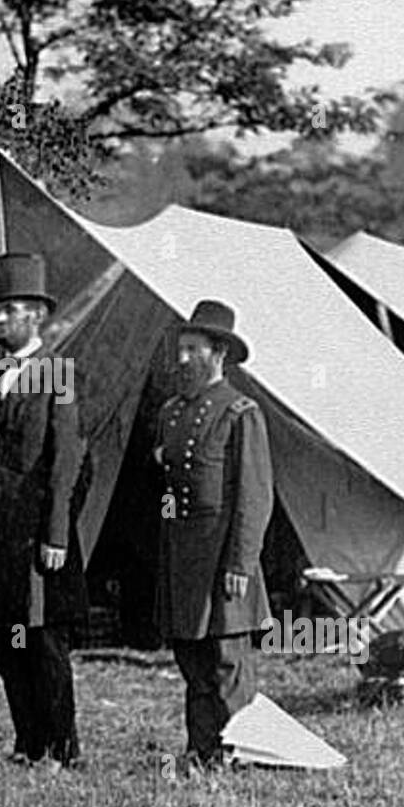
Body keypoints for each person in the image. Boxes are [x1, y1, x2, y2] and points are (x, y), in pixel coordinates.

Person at [0, 252, 88, 772]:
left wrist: (55, 534)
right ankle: (28, 741)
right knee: (5, 641)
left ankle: (62, 748)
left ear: (35, 315)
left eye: (9, 311)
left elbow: (66, 462)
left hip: (38, 536)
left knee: (43, 643)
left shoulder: (57, 375)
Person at [153, 301, 274, 773]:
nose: (182, 358)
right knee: (193, 659)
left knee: (227, 661)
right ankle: (201, 749)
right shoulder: (171, 412)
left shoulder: (241, 413)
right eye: (180, 348)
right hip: (185, 557)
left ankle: (238, 751)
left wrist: (241, 564)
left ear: (218, 352)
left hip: (223, 557)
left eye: (192, 349)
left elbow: (254, 497)